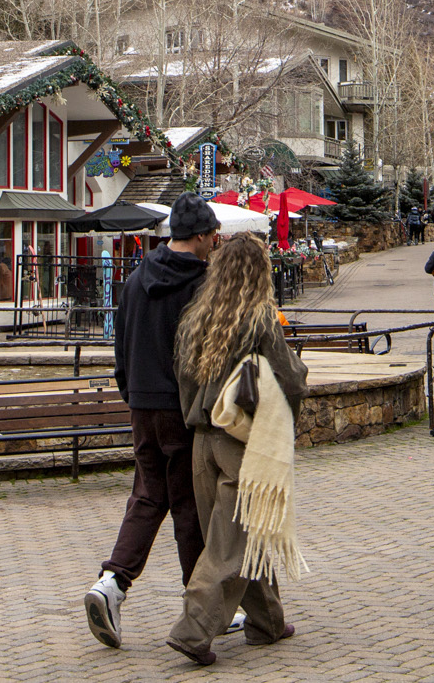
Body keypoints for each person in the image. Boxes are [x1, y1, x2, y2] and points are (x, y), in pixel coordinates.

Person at [86, 193, 221, 651]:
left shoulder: (137, 277)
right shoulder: (203, 283)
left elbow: (121, 343)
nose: (214, 242)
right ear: (200, 236)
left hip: (142, 405)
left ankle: (111, 583)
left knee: (148, 495)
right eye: (212, 235)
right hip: (180, 407)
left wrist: (132, 392)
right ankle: (202, 607)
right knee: (189, 506)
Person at [167, 234, 309, 666]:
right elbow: (290, 378)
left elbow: (183, 379)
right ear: (259, 272)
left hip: (202, 440)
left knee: (242, 532)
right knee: (228, 546)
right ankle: (193, 631)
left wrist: (197, 415)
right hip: (241, 443)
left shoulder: (197, 316)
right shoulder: (259, 318)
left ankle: (267, 621)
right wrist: (286, 415)